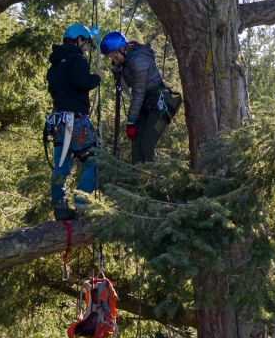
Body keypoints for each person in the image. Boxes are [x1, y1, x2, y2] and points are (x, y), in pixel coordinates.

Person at [45, 23, 101, 220]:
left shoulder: (55, 64)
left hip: (59, 121)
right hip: (75, 121)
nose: (85, 47)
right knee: (95, 161)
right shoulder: (76, 59)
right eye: (85, 43)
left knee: (62, 165)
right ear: (79, 40)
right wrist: (96, 78)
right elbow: (81, 82)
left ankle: (60, 205)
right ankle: (81, 204)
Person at [100, 31, 181, 164]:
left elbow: (138, 93)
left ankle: (155, 181)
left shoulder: (138, 60)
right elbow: (127, 86)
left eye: (114, 56)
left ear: (122, 48)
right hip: (147, 105)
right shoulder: (127, 61)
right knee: (136, 148)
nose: (114, 60)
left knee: (146, 146)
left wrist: (131, 122)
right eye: (111, 58)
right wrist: (117, 72)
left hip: (161, 104)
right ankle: (139, 182)